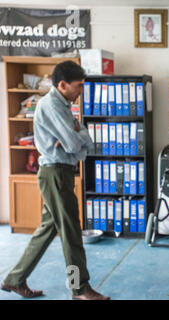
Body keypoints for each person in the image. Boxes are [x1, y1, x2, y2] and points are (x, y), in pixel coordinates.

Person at [1, 61, 110, 300]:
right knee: (71, 234)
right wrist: (78, 135)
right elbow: (76, 143)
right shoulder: (52, 106)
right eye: (78, 86)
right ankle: (79, 289)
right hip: (56, 174)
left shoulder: (62, 105)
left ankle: (14, 279)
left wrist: (77, 136)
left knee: (48, 229)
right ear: (62, 85)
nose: (81, 90)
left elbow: (80, 142)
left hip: (60, 172)